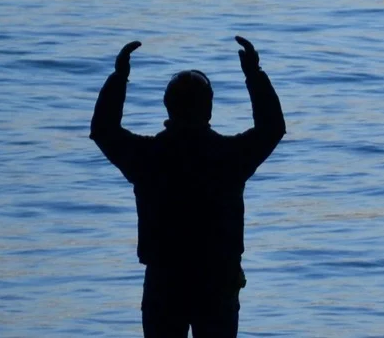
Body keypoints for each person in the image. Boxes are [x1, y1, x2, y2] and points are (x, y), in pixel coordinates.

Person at [92, 37, 286, 338]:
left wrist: (119, 77)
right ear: (208, 109)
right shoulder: (229, 157)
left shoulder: (147, 157)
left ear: (168, 108)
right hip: (218, 281)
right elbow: (272, 127)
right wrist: (254, 74)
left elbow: (103, 130)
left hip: (165, 281)